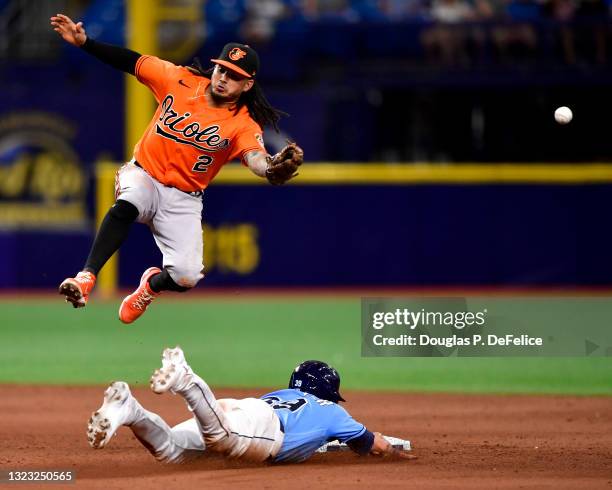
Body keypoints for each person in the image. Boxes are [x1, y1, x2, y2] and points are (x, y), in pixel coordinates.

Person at [50, 14, 303, 324]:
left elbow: (255, 158)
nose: (223, 78)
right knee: (128, 202)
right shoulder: (179, 80)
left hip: (184, 197)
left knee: (186, 276)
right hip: (144, 173)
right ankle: (86, 278)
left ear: (247, 83)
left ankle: (149, 286)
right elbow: (132, 61)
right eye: (222, 69)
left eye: (234, 75)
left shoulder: (242, 123)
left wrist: (270, 168)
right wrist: (86, 43)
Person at [87, 347, 414, 463]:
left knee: (170, 451)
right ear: (328, 391)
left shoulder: (282, 394)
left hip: (243, 408)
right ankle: (186, 380)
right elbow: (373, 444)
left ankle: (130, 409)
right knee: (221, 438)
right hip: (265, 430)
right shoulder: (332, 412)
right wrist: (400, 457)